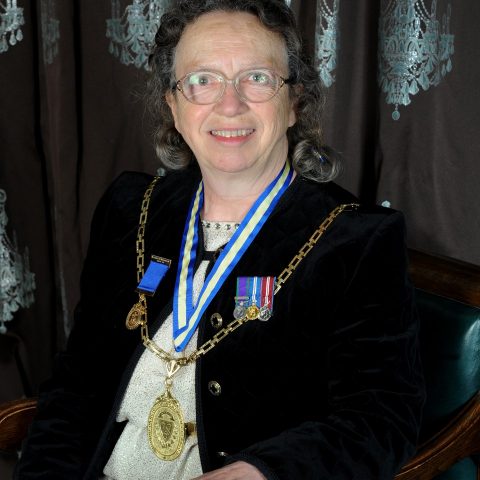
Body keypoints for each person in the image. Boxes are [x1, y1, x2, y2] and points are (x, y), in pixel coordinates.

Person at [15, 0, 425, 478]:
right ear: (174, 105)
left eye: (257, 78)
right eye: (202, 80)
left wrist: (260, 472)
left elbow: (379, 420)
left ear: (294, 102)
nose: (230, 104)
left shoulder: (354, 240)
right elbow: (78, 383)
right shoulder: (131, 210)